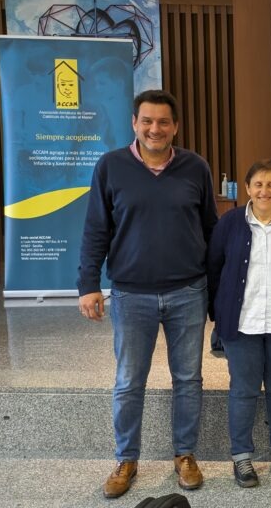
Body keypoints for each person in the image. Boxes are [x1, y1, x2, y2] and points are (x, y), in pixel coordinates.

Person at [77, 89, 218, 499]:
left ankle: (185, 455)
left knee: (188, 379)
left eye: (163, 122)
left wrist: (217, 290)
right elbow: (96, 229)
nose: (155, 129)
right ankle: (126, 459)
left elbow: (211, 230)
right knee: (128, 381)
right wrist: (88, 284)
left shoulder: (196, 167)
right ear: (134, 124)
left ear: (175, 126)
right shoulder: (111, 166)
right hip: (130, 294)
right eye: (147, 121)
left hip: (188, 291)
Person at [206, 160, 271, 488]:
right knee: (243, 389)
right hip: (242, 324)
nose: (265, 191)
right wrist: (218, 315)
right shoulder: (230, 222)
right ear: (248, 188)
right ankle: (241, 456)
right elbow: (214, 268)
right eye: (258, 184)